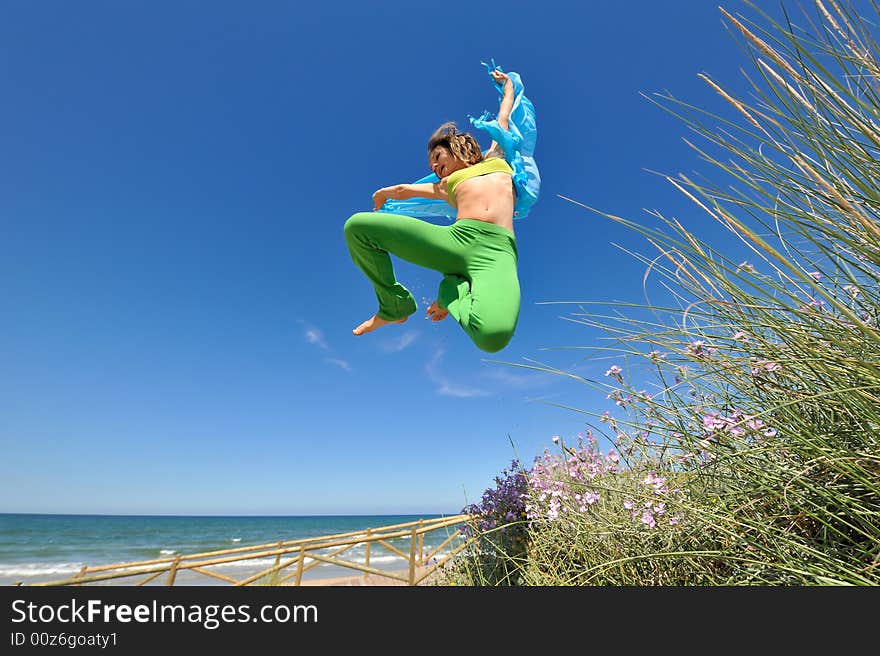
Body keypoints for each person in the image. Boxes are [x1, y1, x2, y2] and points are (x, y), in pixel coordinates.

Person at [343, 69, 521, 353]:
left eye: (438, 159)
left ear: (457, 147)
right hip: (456, 241)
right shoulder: (447, 184)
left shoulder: (498, 157)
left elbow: (505, 116)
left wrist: (509, 86)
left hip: (496, 253)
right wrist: (383, 193)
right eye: (433, 168)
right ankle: (394, 305)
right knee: (357, 227)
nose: (437, 169)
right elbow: (406, 190)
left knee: (493, 337)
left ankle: (450, 290)